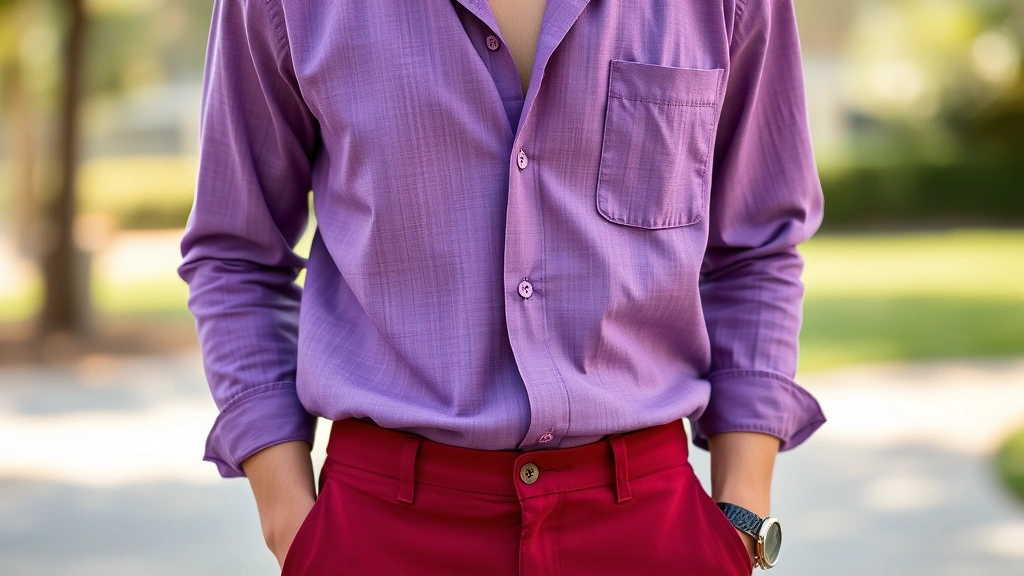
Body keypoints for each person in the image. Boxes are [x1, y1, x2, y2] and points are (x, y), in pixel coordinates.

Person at [178, 0, 826, 573]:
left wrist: (741, 514)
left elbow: (757, 245)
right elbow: (235, 252)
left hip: (651, 528)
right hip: (384, 530)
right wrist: (292, 524)